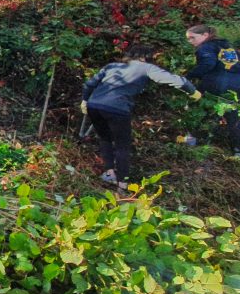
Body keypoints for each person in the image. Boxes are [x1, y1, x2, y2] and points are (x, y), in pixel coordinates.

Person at [81, 44, 200, 190]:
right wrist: (192, 91)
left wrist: (85, 100)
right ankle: (122, 183)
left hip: (94, 105)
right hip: (118, 108)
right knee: (122, 145)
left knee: (105, 138)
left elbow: (89, 84)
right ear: (145, 57)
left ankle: (109, 173)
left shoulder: (111, 66)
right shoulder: (147, 68)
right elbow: (176, 81)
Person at [184, 24, 240, 160]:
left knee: (198, 109)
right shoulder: (229, 47)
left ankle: (191, 142)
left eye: (192, 38)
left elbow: (207, 64)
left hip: (217, 84)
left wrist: (187, 76)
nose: (190, 41)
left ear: (205, 35)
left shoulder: (206, 47)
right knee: (236, 118)